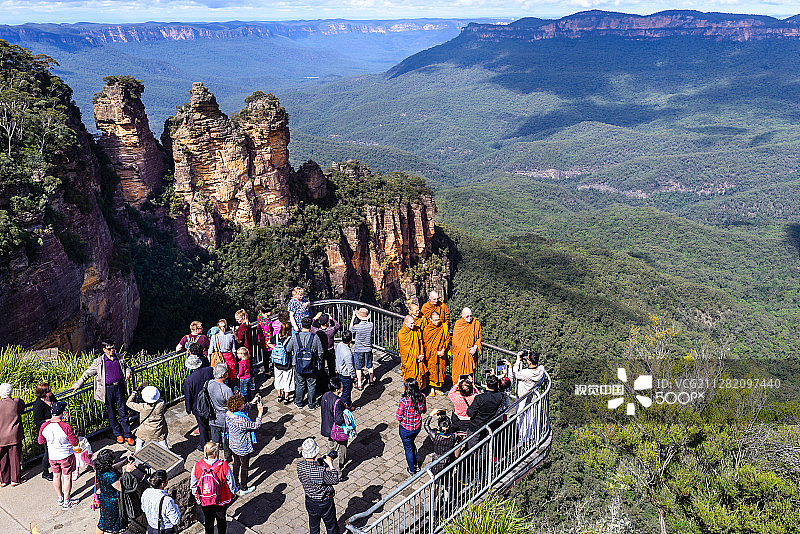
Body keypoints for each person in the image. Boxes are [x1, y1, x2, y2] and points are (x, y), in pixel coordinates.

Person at [71, 341, 134, 446]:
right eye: (109, 349)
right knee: (112, 413)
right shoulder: (98, 362)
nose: (112, 350)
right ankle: (118, 434)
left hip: (119, 387)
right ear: (104, 350)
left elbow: (126, 367)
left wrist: (128, 372)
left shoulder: (119, 357)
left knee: (123, 412)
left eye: (113, 348)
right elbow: (87, 373)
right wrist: (78, 384)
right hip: (107, 390)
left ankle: (128, 435)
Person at [38, 401, 79, 508]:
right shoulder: (66, 426)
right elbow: (75, 442)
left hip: (52, 455)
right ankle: (67, 502)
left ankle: (60, 498)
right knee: (67, 477)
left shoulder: (44, 426)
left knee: (56, 476)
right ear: (63, 413)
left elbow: (41, 441)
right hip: (66, 455)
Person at [191, 442, 237, 534]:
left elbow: (193, 484)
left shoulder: (197, 466)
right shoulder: (223, 465)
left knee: (208, 520)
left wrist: (197, 496)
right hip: (221, 498)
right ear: (215, 453)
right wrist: (233, 492)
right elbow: (231, 482)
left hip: (205, 499)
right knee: (221, 520)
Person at [297, 437, 340, 534]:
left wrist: (321, 462)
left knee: (314, 526)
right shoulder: (320, 472)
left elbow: (312, 468)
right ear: (315, 452)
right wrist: (330, 464)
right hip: (324, 502)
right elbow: (335, 479)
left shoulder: (300, 466)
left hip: (309, 500)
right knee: (331, 527)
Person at [225, 393, 263, 495]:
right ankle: (243, 488)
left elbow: (242, 408)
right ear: (238, 406)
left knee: (236, 464)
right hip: (243, 446)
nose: (243, 405)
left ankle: (235, 483)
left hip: (233, 444)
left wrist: (252, 402)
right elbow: (256, 425)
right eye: (242, 403)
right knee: (244, 467)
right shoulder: (241, 420)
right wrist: (260, 413)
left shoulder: (228, 413)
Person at [285, 317, 324, 409]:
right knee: (311, 384)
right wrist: (319, 360)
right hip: (312, 365)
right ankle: (311, 404)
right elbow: (321, 352)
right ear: (311, 326)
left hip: (298, 364)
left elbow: (287, 349)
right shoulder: (315, 337)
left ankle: (299, 402)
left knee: (300, 383)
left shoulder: (295, 337)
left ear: (301, 325)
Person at [94, 448, 134, 534]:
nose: (114, 460)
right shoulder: (111, 476)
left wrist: (125, 461)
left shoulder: (101, 468)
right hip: (113, 503)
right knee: (113, 524)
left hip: (105, 500)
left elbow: (114, 467)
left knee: (103, 522)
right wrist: (127, 472)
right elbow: (121, 487)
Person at [510, 350, 546, 443]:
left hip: (523, 396)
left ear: (529, 361)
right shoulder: (541, 369)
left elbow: (515, 374)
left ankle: (523, 438)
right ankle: (530, 437)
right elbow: (538, 367)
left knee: (521, 417)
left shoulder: (526, 373)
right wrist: (529, 354)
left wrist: (518, 361)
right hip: (532, 394)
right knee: (530, 418)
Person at [183, 354, 215, 450]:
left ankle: (204, 444)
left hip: (198, 406)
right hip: (211, 401)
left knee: (202, 426)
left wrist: (188, 408)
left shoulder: (189, 380)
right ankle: (217, 440)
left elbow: (188, 396)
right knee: (212, 421)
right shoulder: (209, 370)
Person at [396, 378, 427, 475]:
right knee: (412, 444)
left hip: (406, 428)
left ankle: (412, 470)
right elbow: (424, 411)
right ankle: (416, 466)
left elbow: (398, 417)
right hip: (416, 427)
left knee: (408, 448)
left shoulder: (404, 401)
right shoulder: (422, 397)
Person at [466, 374, 505, 448]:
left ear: (486, 383)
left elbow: (470, 413)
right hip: (489, 424)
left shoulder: (480, 398)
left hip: (476, 426)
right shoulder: (500, 396)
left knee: (471, 446)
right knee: (485, 445)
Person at [126, 386, 167, 453]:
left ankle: (138, 461)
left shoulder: (142, 407)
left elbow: (128, 403)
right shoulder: (161, 403)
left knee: (139, 444)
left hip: (144, 431)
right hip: (159, 429)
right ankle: (169, 459)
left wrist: (134, 392)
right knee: (163, 444)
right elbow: (158, 398)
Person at [320, 377, 347, 477]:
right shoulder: (337, 401)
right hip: (335, 430)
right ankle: (337, 473)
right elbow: (339, 419)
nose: (342, 386)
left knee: (330, 446)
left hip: (326, 427)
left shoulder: (325, 395)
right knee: (338, 450)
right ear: (337, 389)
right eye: (341, 385)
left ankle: (327, 462)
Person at [141, 469, 181, 534]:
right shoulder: (167, 500)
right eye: (167, 479)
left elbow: (143, 509)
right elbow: (175, 520)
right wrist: (176, 504)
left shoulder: (146, 492)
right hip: (164, 530)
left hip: (151, 527)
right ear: (163, 484)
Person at [208, 363, 233, 461]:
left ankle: (215, 459)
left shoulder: (209, 383)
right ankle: (228, 457)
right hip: (224, 419)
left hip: (213, 417)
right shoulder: (226, 389)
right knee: (227, 439)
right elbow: (231, 405)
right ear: (224, 375)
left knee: (215, 441)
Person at [0, 383, 24, 487]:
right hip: (14, 435)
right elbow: (22, 407)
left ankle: (4, 480)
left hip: (1, 436)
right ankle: (15, 479)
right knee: (15, 457)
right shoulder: (16, 402)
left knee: (2, 459)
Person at [32, 382, 57, 481]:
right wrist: (49, 420)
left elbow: (57, 406)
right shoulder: (38, 404)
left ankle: (55, 466)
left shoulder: (51, 398)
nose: (51, 392)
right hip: (45, 430)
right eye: (49, 391)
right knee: (48, 451)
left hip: (54, 427)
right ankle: (45, 472)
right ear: (43, 393)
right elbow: (37, 421)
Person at [451, 308, 482, 384]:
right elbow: (455, 341)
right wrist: (466, 350)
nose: (469, 318)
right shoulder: (458, 324)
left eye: (471, 316)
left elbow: (478, 338)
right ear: (462, 315)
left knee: (470, 374)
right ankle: (458, 388)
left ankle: (469, 388)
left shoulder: (475, 323)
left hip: (471, 352)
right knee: (459, 372)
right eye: (467, 316)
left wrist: (475, 347)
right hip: (461, 354)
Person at [422, 311, 450, 396]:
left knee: (440, 370)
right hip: (432, 355)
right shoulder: (427, 329)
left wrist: (443, 350)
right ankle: (432, 388)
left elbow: (447, 338)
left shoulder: (443, 327)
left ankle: (438, 387)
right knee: (432, 370)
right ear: (430, 319)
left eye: (438, 319)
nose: (437, 322)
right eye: (434, 320)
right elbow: (426, 344)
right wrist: (435, 352)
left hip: (442, 352)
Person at [398, 315, 427, 389]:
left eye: (413, 323)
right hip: (409, 360)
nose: (413, 325)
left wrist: (421, 354)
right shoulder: (402, 333)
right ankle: (409, 392)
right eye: (411, 323)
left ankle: (418, 391)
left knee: (419, 375)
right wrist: (416, 357)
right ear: (405, 323)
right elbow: (405, 350)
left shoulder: (417, 330)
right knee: (410, 376)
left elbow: (420, 343)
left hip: (419, 357)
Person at [349, 307, 374, 390]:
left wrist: (353, 318)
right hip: (368, 348)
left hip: (358, 349)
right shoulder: (371, 325)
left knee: (358, 367)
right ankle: (371, 380)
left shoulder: (357, 327)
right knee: (369, 365)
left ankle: (359, 384)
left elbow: (350, 330)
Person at [272, 315, 296, 404]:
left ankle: (279, 395)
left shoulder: (277, 336)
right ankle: (286, 397)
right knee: (287, 379)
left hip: (277, 363)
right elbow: (292, 350)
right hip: (287, 363)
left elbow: (268, 342)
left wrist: (275, 348)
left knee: (278, 378)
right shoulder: (290, 339)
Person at [311, 312, 341, 380]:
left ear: (319, 321)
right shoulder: (331, 330)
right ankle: (332, 381)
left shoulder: (316, 331)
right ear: (327, 322)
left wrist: (315, 317)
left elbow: (309, 325)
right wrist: (331, 318)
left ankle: (322, 381)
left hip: (320, 351)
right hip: (330, 350)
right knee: (331, 367)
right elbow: (337, 325)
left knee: (321, 367)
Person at [335, 330, 356, 410]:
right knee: (345, 394)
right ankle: (340, 410)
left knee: (347, 392)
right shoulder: (348, 353)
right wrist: (354, 376)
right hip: (346, 376)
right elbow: (350, 367)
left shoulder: (339, 345)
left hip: (339, 372)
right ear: (351, 340)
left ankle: (349, 405)